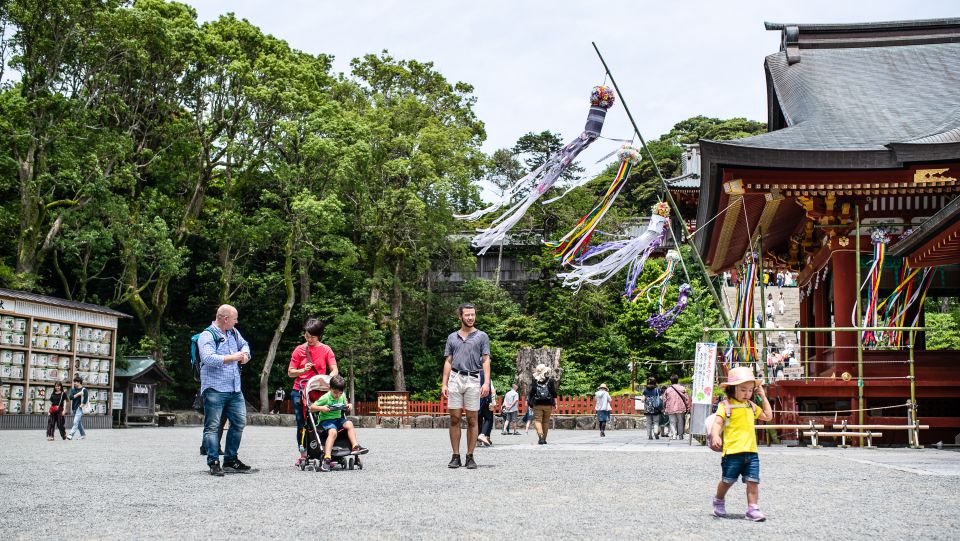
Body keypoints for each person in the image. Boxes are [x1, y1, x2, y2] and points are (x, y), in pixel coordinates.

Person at [709, 366, 773, 522]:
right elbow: (717, 423)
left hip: (751, 452)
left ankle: (753, 508)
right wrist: (715, 435)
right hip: (732, 453)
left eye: (750, 390)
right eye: (743, 390)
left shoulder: (751, 406)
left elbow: (767, 416)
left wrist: (763, 398)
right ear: (732, 389)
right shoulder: (726, 406)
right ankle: (719, 500)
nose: (747, 393)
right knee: (727, 481)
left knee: (753, 481)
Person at [199, 304, 252, 477]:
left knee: (239, 422)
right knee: (213, 426)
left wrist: (244, 355)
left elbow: (245, 346)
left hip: (235, 388)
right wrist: (233, 357)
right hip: (215, 388)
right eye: (235, 319)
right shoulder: (207, 335)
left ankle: (231, 459)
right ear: (225, 318)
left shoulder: (234, 333)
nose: (237, 322)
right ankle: (213, 462)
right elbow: (207, 358)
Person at [441, 303, 491, 469]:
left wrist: (486, 383)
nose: (470, 318)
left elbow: (486, 360)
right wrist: (444, 383)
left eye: (473, 315)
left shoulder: (482, 336)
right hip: (455, 378)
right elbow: (448, 360)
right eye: (467, 315)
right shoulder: (452, 337)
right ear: (460, 316)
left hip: (473, 378)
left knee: (472, 419)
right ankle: (455, 455)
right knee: (454, 418)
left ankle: (470, 455)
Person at [288, 318, 338, 468]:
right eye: (306, 335)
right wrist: (303, 370)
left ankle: (325, 453)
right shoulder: (299, 350)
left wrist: (330, 379)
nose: (308, 339)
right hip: (300, 390)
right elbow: (290, 372)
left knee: (323, 421)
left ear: (319, 335)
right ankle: (303, 454)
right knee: (301, 423)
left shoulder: (326, 349)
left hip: (319, 391)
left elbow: (334, 368)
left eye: (312, 336)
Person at [308, 375, 367, 472]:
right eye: (335, 392)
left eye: (340, 393)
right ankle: (327, 457)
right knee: (333, 432)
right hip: (326, 421)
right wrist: (322, 408)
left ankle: (355, 446)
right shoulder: (326, 397)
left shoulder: (342, 396)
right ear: (329, 388)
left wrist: (349, 406)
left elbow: (346, 403)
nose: (337, 395)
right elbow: (311, 407)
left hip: (338, 419)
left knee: (350, 424)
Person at [528, 363, 557, 445]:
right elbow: (554, 393)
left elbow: (532, 392)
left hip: (537, 403)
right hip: (548, 403)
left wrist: (529, 402)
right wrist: (555, 404)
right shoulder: (550, 380)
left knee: (538, 420)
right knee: (546, 421)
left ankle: (540, 436)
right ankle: (544, 439)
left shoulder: (535, 380)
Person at [663, 375, 691, 440]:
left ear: (671, 381)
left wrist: (664, 407)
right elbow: (686, 399)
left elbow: (664, 400)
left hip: (670, 408)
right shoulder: (682, 388)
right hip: (680, 407)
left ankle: (674, 435)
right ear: (677, 380)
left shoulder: (668, 390)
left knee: (672, 422)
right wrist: (688, 407)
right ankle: (681, 435)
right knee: (681, 421)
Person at [67, 376, 89, 440]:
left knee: (75, 422)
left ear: (79, 382)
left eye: (76, 382)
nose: (74, 383)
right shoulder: (73, 390)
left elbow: (85, 400)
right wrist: (78, 394)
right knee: (78, 423)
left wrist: (80, 407)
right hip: (74, 408)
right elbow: (71, 397)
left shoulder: (84, 390)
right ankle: (83, 434)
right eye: (74, 382)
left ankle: (71, 435)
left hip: (80, 408)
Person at [478, 375, 496, 446]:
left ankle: (477, 439)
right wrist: (493, 402)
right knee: (488, 418)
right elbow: (492, 390)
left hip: (475, 400)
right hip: (485, 399)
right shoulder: (486, 377)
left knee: (478, 419)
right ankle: (484, 435)